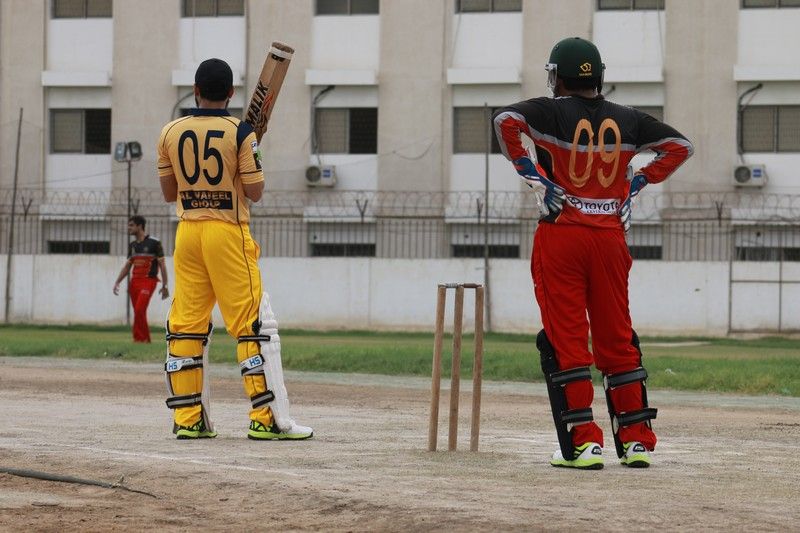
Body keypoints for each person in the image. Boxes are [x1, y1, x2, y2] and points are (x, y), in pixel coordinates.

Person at [493, 37, 693, 469]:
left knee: (567, 339)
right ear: (598, 76)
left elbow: (504, 120)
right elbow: (681, 147)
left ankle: (585, 445)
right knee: (617, 337)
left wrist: (533, 175)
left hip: (562, 234)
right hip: (609, 238)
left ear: (558, 77)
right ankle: (636, 442)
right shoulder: (629, 118)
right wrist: (637, 181)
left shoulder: (550, 111)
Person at [156, 57, 312, 441]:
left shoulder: (170, 132)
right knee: (253, 325)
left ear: (195, 91)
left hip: (188, 233)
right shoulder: (241, 133)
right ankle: (267, 418)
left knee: (186, 326)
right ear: (230, 92)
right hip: (227, 232)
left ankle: (188, 419)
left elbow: (169, 193)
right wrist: (246, 162)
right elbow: (255, 192)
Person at [113, 215, 169, 343]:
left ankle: (140, 338)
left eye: (131, 225)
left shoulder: (155, 243)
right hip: (134, 282)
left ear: (140, 226)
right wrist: (117, 282)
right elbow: (127, 266)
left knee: (139, 309)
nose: (129, 228)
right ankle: (143, 339)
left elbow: (162, 264)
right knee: (139, 312)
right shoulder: (132, 245)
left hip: (149, 281)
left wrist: (165, 285)